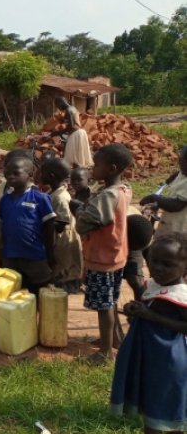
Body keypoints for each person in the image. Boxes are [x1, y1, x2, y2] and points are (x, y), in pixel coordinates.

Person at [109, 233, 187, 434]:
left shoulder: (181, 295)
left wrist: (150, 316)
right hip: (155, 356)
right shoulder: (156, 286)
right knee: (174, 412)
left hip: (168, 361)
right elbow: (149, 309)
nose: (158, 268)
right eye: (153, 261)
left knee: (154, 414)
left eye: (168, 264)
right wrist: (136, 310)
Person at [76, 143, 133, 364]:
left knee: (103, 305)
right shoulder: (124, 189)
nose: (92, 168)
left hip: (102, 258)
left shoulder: (105, 197)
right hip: (117, 255)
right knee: (111, 300)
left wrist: (80, 210)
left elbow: (87, 222)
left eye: (96, 165)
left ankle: (105, 351)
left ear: (111, 168)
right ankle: (114, 339)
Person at [0, 155, 56, 293]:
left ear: (29, 174)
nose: (10, 176)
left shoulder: (40, 198)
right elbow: (1, 229)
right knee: (13, 294)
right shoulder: (4, 200)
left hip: (35, 256)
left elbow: (49, 227)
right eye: (7, 173)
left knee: (37, 292)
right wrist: (0, 254)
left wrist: (50, 254)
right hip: (10, 256)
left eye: (16, 173)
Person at [41, 157, 83, 294]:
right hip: (57, 241)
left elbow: (60, 225)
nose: (40, 175)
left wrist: (49, 251)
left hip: (61, 243)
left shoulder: (60, 198)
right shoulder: (53, 194)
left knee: (61, 277)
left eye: (43, 173)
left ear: (51, 176)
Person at [141, 145, 187, 240]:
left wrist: (154, 198)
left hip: (181, 232)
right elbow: (180, 173)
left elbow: (176, 205)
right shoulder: (183, 173)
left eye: (181, 159)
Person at [124, 214, 155, 301]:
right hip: (119, 237)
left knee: (136, 280)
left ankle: (143, 308)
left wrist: (154, 279)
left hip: (133, 235)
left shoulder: (143, 231)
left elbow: (148, 254)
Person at [57, 96, 92, 169]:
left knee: (73, 158)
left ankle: (77, 173)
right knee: (79, 157)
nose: (58, 108)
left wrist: (57, 132)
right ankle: (81, 172)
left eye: (57, 106)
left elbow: (70, 126)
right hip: (81, 133)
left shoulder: (68, 110)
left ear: (60, 104)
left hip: (76, 134)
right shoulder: (73, 108)